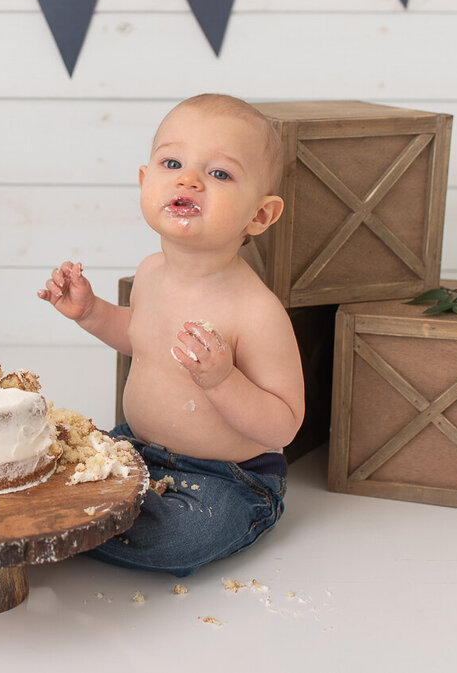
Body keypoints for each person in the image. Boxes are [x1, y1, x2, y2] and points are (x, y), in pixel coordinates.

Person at [37, 93, 305, 577]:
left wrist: (223, 381)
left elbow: (283, 426)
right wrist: (91, 312)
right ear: (145, 181)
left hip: (226, 477)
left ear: (260, 216)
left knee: (185, 535)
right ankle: (83, 518)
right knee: (47, 459)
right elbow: (140, 339)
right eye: (172, 163)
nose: (188, 180)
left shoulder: (256, 311)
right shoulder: (151, 272)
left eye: (219, 173)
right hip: (134, 448)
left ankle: (72, 529)